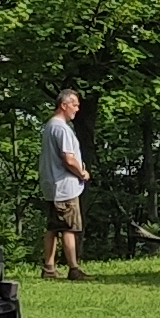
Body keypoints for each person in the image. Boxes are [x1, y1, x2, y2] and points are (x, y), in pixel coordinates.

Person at [40, 88, 89, 280]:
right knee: (69, 228)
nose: (77, 109)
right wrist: (82, 173)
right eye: (75, 105)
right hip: (65, 186)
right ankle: (74, 269)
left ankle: (49, 268)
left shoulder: (49, 126)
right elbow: (68, 159)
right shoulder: (61, 129)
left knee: (52, 228)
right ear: (64, 105)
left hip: (51, 186)